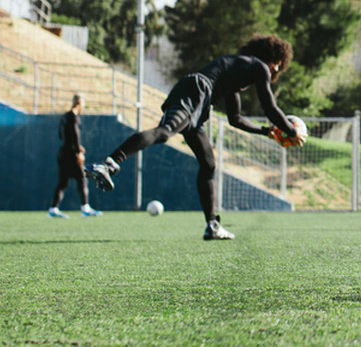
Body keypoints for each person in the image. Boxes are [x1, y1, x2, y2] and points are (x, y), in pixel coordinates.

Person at [85, 35, 299, 240]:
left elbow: (236, 119)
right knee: (165, 132)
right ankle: (108, 164)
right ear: (272, 59)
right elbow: (270, 107)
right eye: (278, 64)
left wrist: (264, 131)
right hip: (195, 91)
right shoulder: (259, 66)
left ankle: (213, 225)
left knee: (208, 164)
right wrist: (292, 131)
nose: (276, 69)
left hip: (200, 102)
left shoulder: (236, 75)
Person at [47, 93, 102, 218]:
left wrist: (74, 146)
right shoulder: (73, 117)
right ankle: (85, 208)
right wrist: (78, 151)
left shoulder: (64, 117)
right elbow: (75, 134)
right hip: (71, 154)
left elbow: (61, 135)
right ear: (79, 103)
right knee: (82, 179)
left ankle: (53, 209)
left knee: (63, 183)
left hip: (63, 152)